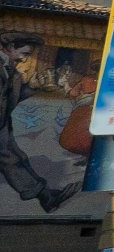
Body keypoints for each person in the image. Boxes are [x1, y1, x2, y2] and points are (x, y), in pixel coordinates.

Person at [1, 34, 81, 214]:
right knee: (11, 160)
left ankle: (47, 197)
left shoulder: (10, 69)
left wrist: (35, 86)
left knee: (17, 158)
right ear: (11, 47)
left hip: (3, 124)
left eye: (28, 55)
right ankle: (47, 197)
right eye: (24, 53)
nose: (25, 58)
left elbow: (13, 98)